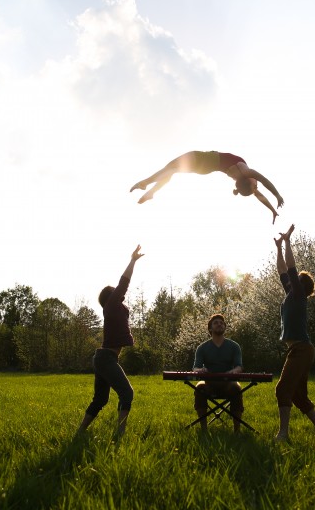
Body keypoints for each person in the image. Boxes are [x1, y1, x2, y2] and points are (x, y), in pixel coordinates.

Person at [76, 245, 145, 438]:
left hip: (105, 358)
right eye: (116, 292)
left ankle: (80, 432)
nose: (120, 293)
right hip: (106, 358)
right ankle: (120, 434)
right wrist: (132, 261)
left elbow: (122, 291)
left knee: (100, 399)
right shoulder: (111, 305)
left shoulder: (115, 308)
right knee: (127, 393)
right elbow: (124, 283)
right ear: (111, 296)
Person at [273, 224, 315, 443]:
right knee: (298, 395)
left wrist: (288, 242)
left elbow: (290, 268)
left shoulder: (298, 294)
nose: (290, 281)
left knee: (282, 390)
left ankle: (283, 434)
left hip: (301, 349)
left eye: (295, 280)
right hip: (299, 349)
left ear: (300, 284)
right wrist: (278, 247)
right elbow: (282, 271)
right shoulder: (292, 294)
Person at [130, 151, 285, 223]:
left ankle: (145, 183)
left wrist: (277, 195)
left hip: (202, 159)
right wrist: (272, 210)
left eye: (255, 184)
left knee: (171, 169)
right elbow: (260, 196)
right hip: (205, 168)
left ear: (250, 182)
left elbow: (264, 180)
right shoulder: (244, 181)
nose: (257, 184)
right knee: (172, 171)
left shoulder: (245, 172)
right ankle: (152, 192)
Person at [192, 314, 245, 432]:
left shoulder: (234, 346)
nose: (219, 324)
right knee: (199, 387)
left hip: (228, 384)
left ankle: (237, 431)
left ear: (225, 327)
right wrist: (201, 370)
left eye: (221, 323)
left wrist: (233, 371)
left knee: (236, 388)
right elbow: (195, 368)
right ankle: (204, 430)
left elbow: (239, 366)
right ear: (210, 328)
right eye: (216, 323)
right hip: (209, 384)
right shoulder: (202, 348)